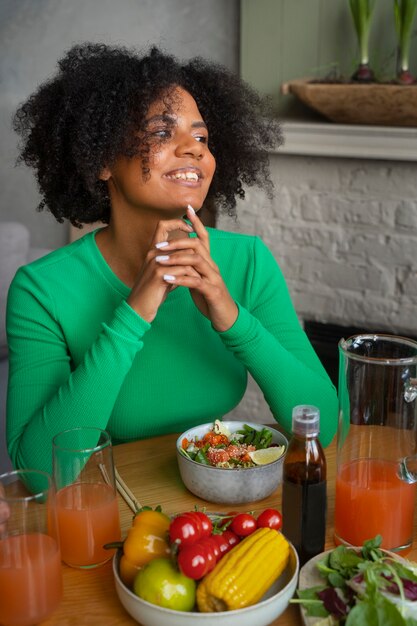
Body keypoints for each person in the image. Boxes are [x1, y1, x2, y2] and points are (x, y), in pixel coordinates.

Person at [7, 43, 338, 476]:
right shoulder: (42, 290)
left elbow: (326, 426)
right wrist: (134, 314)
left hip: (219, 511)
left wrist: (232, 318)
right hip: (110, 513)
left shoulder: (247, 262)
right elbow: (38, 471)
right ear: (104, 159)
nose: (195, 149)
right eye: (163, 132)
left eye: (201, 137)